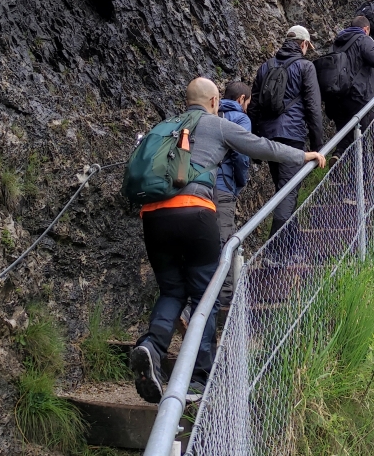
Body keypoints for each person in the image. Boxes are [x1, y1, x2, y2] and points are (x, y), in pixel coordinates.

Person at [129, 77, 326, 403]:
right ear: (215, 101)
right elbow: (263, 147)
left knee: (172, 291)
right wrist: (303, 155)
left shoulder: (165, 127)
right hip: (195, 213)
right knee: (205, 296)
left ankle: (152, 346)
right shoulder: (217, 125)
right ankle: (198, 379)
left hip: (153, 216)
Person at [250, 25, 325, 237]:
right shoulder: (305, 66)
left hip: (268, 138)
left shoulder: (265, 67)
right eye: (307, 46)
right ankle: (275, 252)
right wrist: (319, 146)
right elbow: (313, 108)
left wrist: (255, 142)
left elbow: (254, 106)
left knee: (284, 190)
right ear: (303, 44)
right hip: (291, 137)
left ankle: (291, 245)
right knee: (288, 191)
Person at [318, 14, 374, 147]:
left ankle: (338, 155)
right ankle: (364, 165)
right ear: (366, 29)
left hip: (336, 97)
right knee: (364, 135)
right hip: (356, 95)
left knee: (344, 136)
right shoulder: (363, 39)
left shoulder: (337, 43)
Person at [214, 81, 252, 307]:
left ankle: (196, 298)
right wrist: (240, 181)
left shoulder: (210, 115)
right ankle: (225, 297)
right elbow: (242, 154)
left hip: (199, 186)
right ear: (241, 100)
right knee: (224, 242)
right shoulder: (240, 118)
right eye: (247, 103)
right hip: (223, 186)